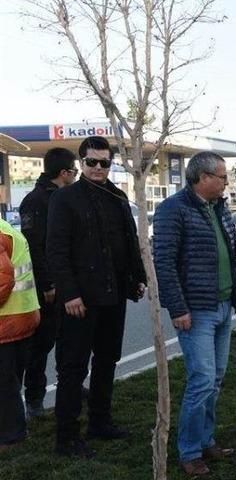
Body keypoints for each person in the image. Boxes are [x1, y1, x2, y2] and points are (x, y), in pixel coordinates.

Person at [154, 151, 236, 476]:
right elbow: (164, 263)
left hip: (224, 306)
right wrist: (178, 308)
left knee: (215, 380)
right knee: (202, 380)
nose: (227, 182)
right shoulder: (174, 210)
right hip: (195, 311)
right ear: (202, 178)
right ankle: (189, 451)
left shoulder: (219, 207)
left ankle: (206, 440)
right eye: (222, 176)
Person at [47, 136, 147, 458]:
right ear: (81, 163)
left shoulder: (117, 196)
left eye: (105, 163)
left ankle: (100, 422)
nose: (98, 168)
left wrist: (137, 278)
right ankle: (67, 437)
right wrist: (70, 293)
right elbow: (57, 251)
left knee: (107, 361)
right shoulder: (65, 199)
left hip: (113, 296)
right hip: (80, 301)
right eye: (92, 162)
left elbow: (129, 241)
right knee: (73, 369)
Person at [19, 148, 78, 418]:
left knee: (67, 340)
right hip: (48, 289)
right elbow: (35, 248)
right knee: (41, 345)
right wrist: (48, 284)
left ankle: (70, 387)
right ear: (64, 173)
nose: (76, 176)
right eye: (74, 171)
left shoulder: (64, 197)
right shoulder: (36, 201)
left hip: (68, 284)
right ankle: (34, 399)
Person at [0, 217, 41, 454]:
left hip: (8, 319)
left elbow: (3, 282)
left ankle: (11, 437)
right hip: (21, 313)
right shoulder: (5, 228)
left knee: (4, 383)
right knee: (10, 380)